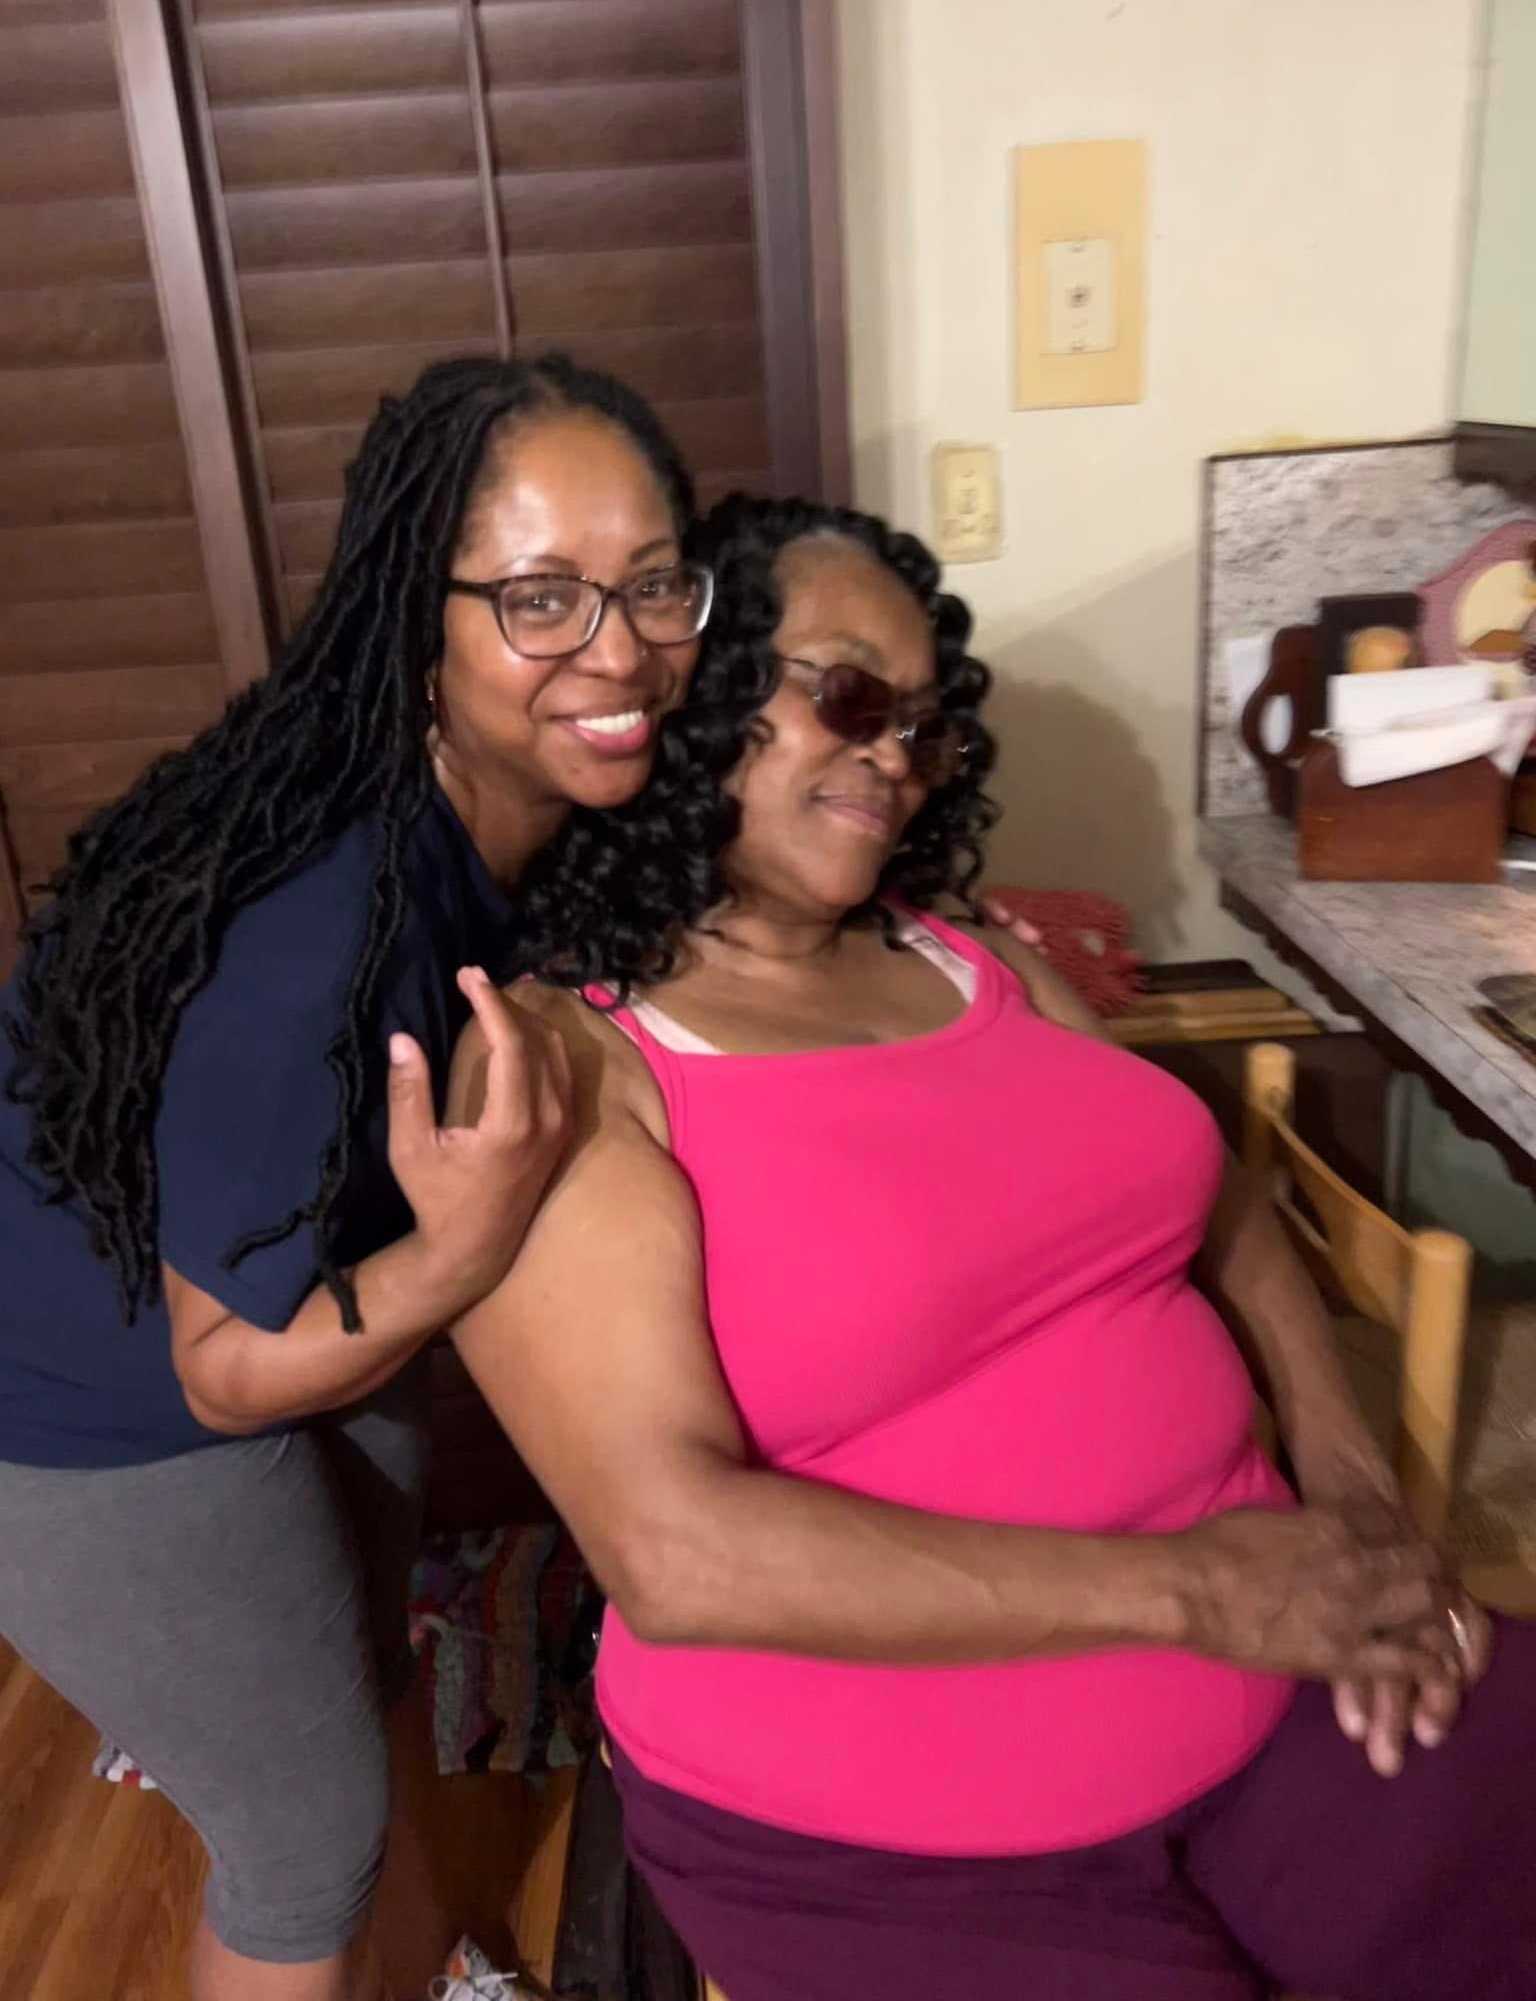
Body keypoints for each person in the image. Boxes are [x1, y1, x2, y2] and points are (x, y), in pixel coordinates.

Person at [446, 492, 1536, 2001]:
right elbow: (674, 1553)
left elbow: (1214, 1205)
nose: (895, 749)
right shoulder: (577, 1066)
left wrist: (1349, 1482)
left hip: (1284, 1665)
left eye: (926, 723)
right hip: (882, 1831)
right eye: (849, 693)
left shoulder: (980, 961)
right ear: (688, 694)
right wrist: (1201, 1593)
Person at [0, 353, 718, 2001]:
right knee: (298, 1843)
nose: (619, 655)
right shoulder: (321, 923)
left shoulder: (504, 801)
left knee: (370, 1679)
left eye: (652, 584)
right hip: (96, 1411)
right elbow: (229, 1372)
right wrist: (458, 1250)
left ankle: (430, 1977)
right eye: (539, 600)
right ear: (423, 614)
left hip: (287, 1287)